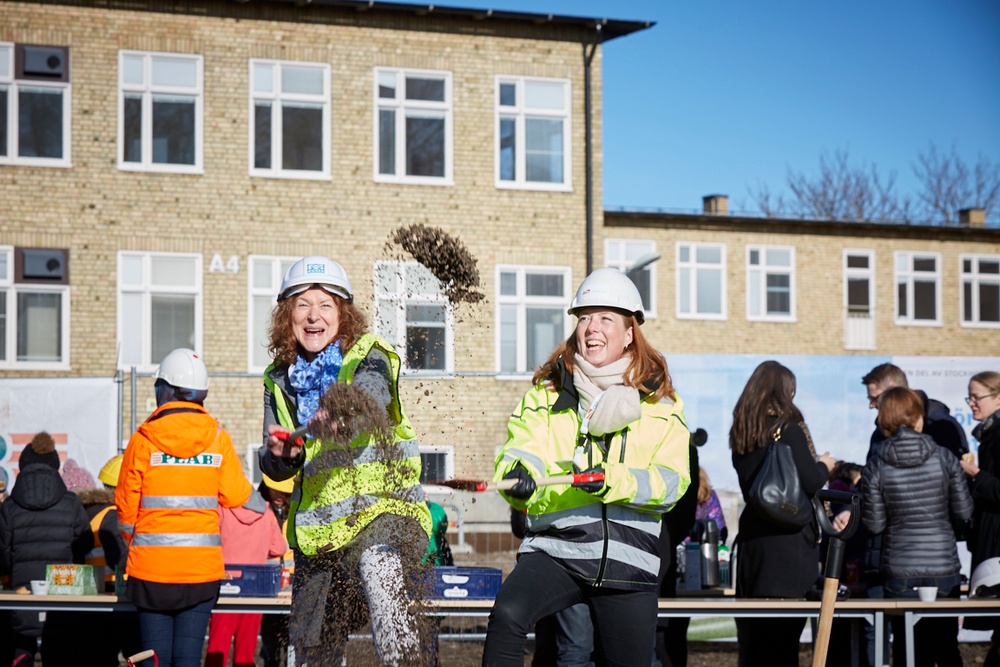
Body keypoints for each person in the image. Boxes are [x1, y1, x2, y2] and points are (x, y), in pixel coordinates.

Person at [485, 267, 693, 666]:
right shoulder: (546, 395)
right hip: (557, 550)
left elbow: (671, 483)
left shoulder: (661, 405)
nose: (591, 328)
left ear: (630, 332)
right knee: (508, 614)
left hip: (630, 562)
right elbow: (522, 450)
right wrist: (518, 477)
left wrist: (610, 480)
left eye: (605, 318)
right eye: (584, 318)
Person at [258, 255, 433, 666]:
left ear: (343, 313)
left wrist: (339, 413)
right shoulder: (277, 379)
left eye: (325, 304)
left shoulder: (369, 355)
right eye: (302, 304)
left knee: (379, 566)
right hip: (318, 535)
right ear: (287, 316)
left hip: (385, 517)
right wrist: (284, 456)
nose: (313, 315)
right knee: (311, 650)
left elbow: (371, 397)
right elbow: (273, 460)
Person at [116, 348, 254, 667]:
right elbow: (236, 495)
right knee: (188, 659)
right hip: (201, 574)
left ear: (168, 389)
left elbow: (125, 511)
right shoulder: (218, 438)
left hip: (150, 573)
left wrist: (136, 544)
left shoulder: (143, 440)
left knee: (154, 658)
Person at [729, 361, 835, 667]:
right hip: (788, 547)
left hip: (754, 546)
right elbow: (812, 481)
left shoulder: (742, 432)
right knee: (782, 645)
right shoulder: (787, 430)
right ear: (785, 391)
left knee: (754, 644)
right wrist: (825, 465)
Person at [862, 386, 973, 667]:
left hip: (899, 569)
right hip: (943, 567)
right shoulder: (945, 458)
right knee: (947, 647)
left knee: (907, 648)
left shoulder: (876, 465)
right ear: (918, 418)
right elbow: (964, 512)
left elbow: (874, 524)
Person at [0, 431, 93, 667]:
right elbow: (85, 544)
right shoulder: (71, 503)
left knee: (21, 649)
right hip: (63, 596)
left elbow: (2, 553)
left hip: (21, 597)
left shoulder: (10, 506)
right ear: (55, 466)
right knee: (61, 650)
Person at [206, 482, 287, 667]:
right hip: (256, 587)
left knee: (217, 648)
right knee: (245, 652)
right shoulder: (266, 513)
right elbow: (279, 547)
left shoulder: (222, 510)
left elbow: (208, 541)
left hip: (226, 586)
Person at [959, 371, 1000, 666]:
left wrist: (976, 476)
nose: (972, 403)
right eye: (969, 397)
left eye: (977, 397)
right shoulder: (988, 434)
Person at [863, 363, 969, 462]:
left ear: (895, 392)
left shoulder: (942, 426)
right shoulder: (880, 432)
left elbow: (960, 473)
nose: (871, 405)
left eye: (875, 398)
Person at [258, 473, 294, 667]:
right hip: (268, 578)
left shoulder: (297, 510)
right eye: (274, 489)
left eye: (284, 491)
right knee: (270, 636)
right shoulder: (259, 511)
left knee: (292, 636)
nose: (278, 494)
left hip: (294, 578)